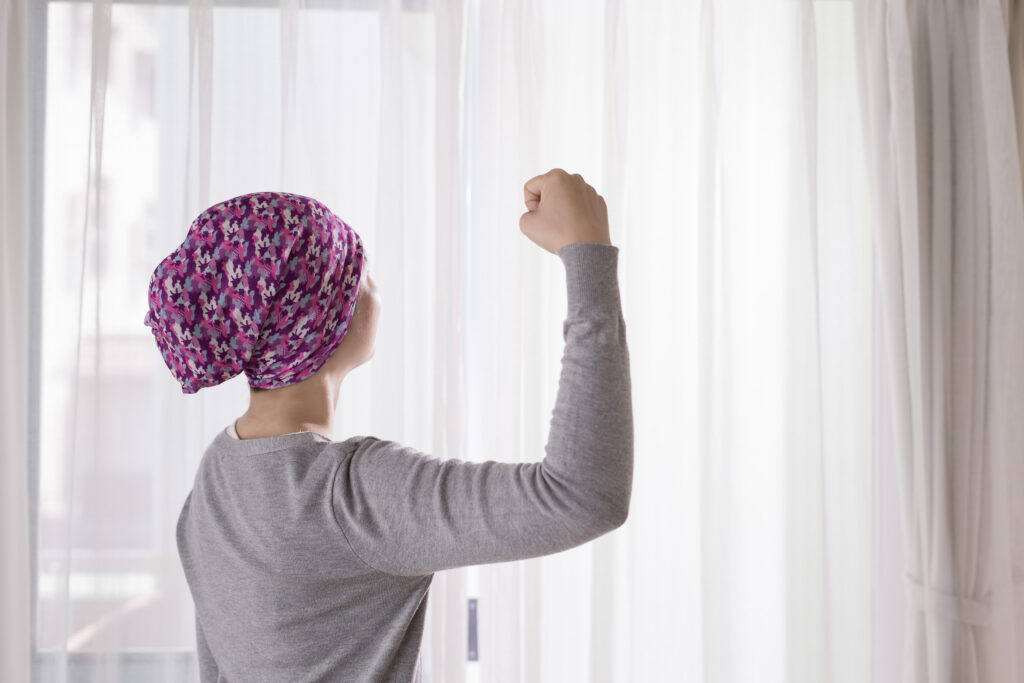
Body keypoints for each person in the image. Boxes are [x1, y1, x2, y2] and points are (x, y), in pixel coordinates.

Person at [151, 169, 633, 682]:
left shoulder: (214, 480)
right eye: (361, 273)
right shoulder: (352, 497)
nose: (376, 289)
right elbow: (581, 497)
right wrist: (587, 253)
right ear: (325, 315)